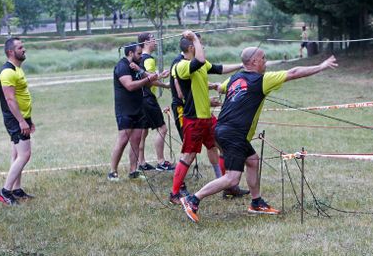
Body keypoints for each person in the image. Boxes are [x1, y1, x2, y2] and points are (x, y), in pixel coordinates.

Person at [180, 47, 338, 223]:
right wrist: (321, 66)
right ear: (254, 61)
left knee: (253, 160)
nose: (266, 61)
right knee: (232, 178)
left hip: (222, 130)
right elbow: (293, 72)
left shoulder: (234, 78)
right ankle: (193, 199)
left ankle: (256, 202)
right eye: (263, 58)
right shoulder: (262, 80)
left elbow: (221, 88)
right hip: (233, 133)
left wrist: (212, 86)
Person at [168, 30, 245, 204]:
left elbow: (218, 68)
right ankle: (174, 194)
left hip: (207, 118)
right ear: (190, 47)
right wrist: (194, 38)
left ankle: (229, 187)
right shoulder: (181, 65)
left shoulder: (200, 63)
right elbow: (199, 61)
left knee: (223, 146)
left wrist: (241, 66)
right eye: (198, 44)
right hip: (194, 119)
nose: (201, 47)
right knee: (189, 155)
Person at [108, 42, 158, 181]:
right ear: (130, 53)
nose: (141, 56)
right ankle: (112, 171)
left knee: (136, 140)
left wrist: (149, 76)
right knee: (123, 140)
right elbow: (129, 86)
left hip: (138, 107)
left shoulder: (137, 65)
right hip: (125, 109)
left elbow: (147, 82)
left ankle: (133, 171)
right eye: (139, 53)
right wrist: (148, 78)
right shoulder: (122, 66)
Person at [0, 37, 35, 205]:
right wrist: (21, 121)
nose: (24, 49)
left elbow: (20, 97)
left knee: (17, 154)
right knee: (25, 155)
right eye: (20, 47)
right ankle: (4, 192)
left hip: (22, 118)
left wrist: (28, 120)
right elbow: (10, 100)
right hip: (14, 119)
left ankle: (16, 190)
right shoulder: (7, 72)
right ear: (11, 51)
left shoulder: (17, 69)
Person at [135, 32, 174, 172]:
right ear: (146, 43)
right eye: (153, 40)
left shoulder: (138, 58)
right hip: (147, 98)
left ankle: (141, 162)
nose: (156, 42)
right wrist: (167, 85)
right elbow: (151, 80)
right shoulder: (149, 59)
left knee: (143, 132)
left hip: (139, 98)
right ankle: (161, 162)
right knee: (162, 129)